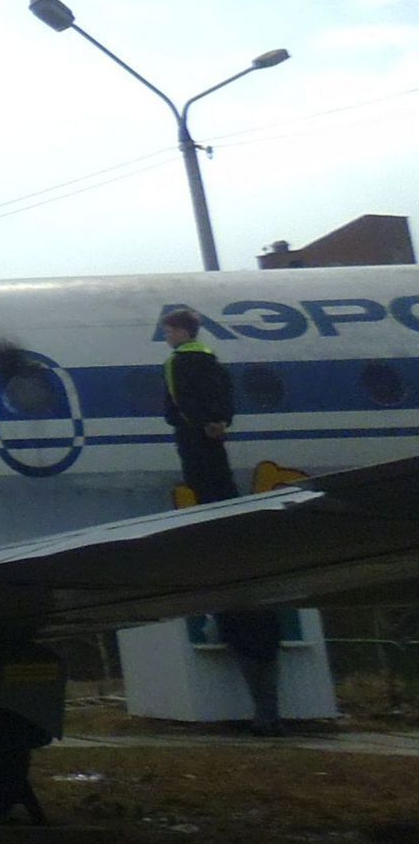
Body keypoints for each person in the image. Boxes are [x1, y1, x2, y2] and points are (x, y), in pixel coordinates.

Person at [161, 307, 284, 736]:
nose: (167, 336)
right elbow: (218, 395)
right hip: (207, 430)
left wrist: (201, 423)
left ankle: (265, 717)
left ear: (181, 330)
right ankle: (268, 715)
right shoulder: (207, 355)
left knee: (206, 479)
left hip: (196, 434)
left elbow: (183, 402)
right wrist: (220, 421)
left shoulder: (184, 359)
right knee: (217, 479)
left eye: (169, 330)